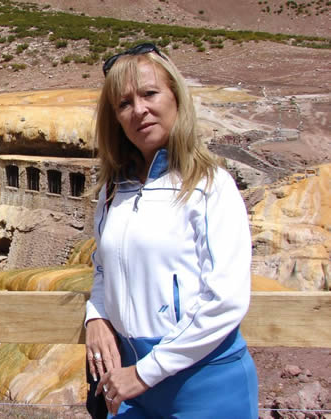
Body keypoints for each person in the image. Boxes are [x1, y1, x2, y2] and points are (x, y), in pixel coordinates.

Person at [84, 43, 259, 418]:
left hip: (204, 386)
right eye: (124, 103)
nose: (139, 110)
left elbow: (225, 299)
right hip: (128, 385)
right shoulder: (113, 192)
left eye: (149, 93)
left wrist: (146, 372)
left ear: (176, 97)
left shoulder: (211, 185)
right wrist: (95, 316)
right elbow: (103, 269)